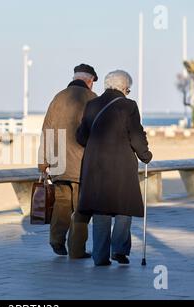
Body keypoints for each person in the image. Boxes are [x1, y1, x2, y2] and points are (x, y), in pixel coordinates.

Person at [73, 70, 152, 266]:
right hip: (121, 166)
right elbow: (136, 135)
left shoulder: (92, 105)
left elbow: (82, 136)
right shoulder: (129, 106)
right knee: (124, 207)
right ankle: (119, 250)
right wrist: (145, 155)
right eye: (129, 89)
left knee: (101, 210)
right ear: (125, 87)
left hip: (96, 166)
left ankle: (99, 256)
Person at [38, 64, 98, 258]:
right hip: (82, 165)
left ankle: (56, 239)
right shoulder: (92, 99)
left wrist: (43, 161)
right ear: (90, 81)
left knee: (61, 204)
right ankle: (77, 249)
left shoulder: (58, 97)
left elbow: (46, 129)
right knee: (81, 208)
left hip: (58, 163)